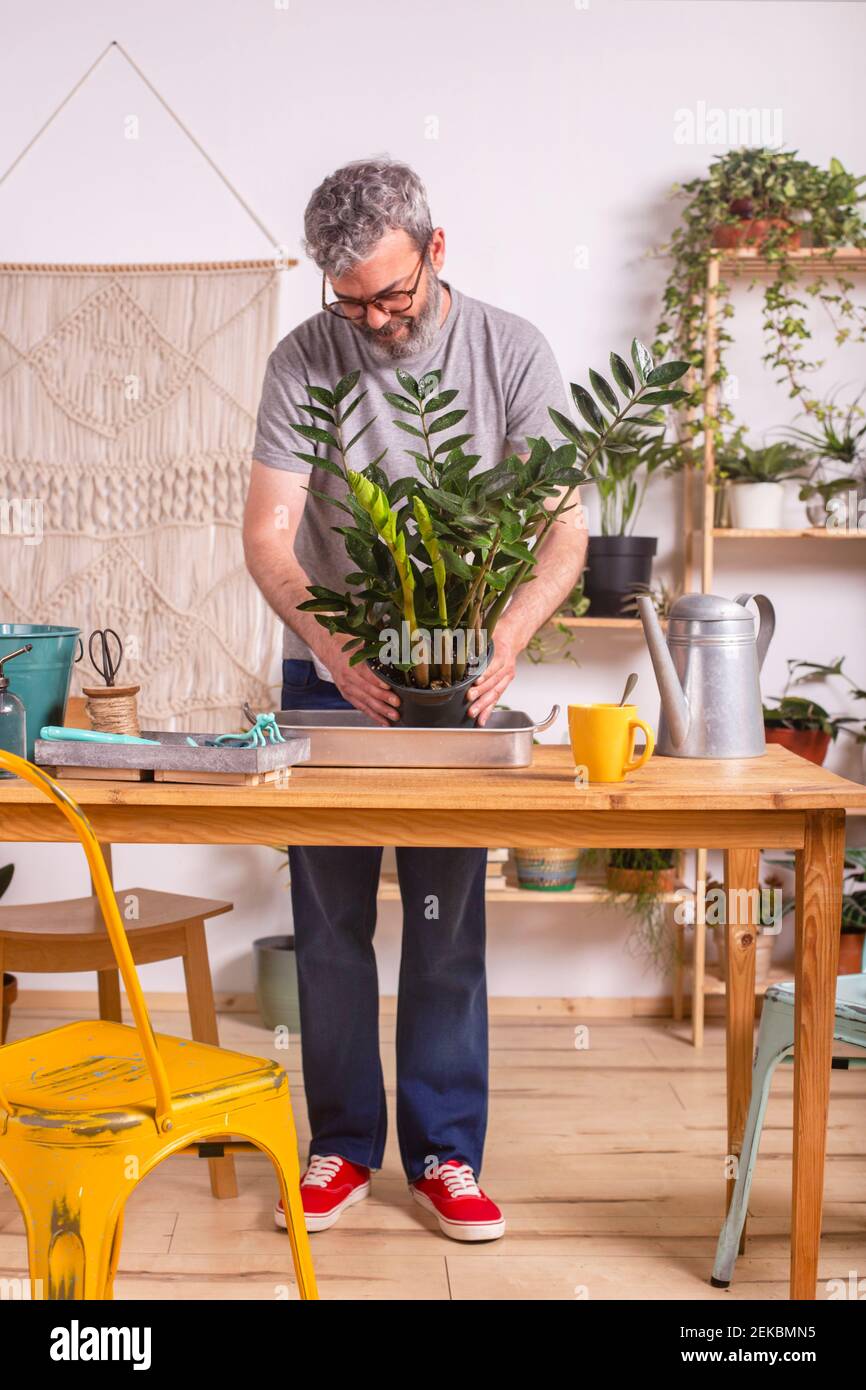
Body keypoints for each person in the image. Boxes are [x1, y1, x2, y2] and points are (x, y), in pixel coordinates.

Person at [244, 158, 587, 1242]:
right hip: (331, 665)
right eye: (348, 300)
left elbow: (562, 528)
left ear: (436, 251)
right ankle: (342, 1144)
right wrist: (332, 643)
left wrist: (505, 635)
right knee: (329, 921)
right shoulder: (304, 357)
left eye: (389, 295)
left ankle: (444, 1152)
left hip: (451, 669)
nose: (371, 320)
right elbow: (266, 533)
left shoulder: (509, 350)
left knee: (443, 922)